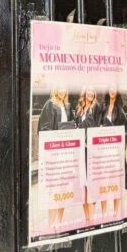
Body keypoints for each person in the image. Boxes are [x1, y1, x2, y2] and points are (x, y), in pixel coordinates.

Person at [37, 86, 72, 229]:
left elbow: (71, 125)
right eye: (60, 88)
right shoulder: (50, 104)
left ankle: (60, 221)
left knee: (63, 188)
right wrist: (53, 141)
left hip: (66, 151)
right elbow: (43, 126)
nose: (63, 91)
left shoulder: (67, 106)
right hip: (54, 151)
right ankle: (51, 223)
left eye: (64, 88)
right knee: (53, 188)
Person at [100, 85, 127, 220]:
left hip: (115, 152)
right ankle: (104, 213)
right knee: (104, 183)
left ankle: (116, 213)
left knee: (116, 182)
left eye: (114, 88)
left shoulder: (121, 111)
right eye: (110, 88)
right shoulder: (103, 108)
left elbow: (125, 133)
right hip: (104, 151)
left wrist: (121, 149)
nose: (112, 90)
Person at [75, 86, 101, 223]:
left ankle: (92, 218)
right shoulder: (79, 109)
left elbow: (98, 127)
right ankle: (87, 219)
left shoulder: (96, 107)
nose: (91, 92)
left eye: (92, 90)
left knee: (91, 183)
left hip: (91, 149)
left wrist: (90, 142)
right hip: (80, 150)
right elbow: (76, 126)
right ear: (84, 92)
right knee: (82, 183)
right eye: (89, 90)